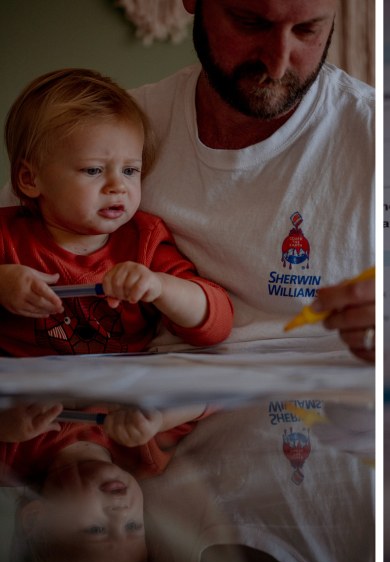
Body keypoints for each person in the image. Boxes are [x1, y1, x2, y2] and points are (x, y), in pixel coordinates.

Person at [126, 0, 375, 362]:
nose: (276, 64)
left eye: (307, 30)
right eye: (250, 24)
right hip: (158, 403)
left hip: (328, 400)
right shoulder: (119, 129)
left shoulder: (378, 134)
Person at [0, 68, 234, 357]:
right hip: (23, 390)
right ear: (29, 179)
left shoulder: (143, 242)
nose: (118, 186)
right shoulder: (6, 237)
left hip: (119, 392)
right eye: (94, 170)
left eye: (130, 170)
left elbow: (218, 322)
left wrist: (159, 286)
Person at [0, 400, 211, 562]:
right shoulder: (143, 450)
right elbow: (205, 397)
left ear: (36, 519)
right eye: (132, 526)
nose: (121, 512)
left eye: (96, 529)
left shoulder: (10, 455)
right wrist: (160, 419)